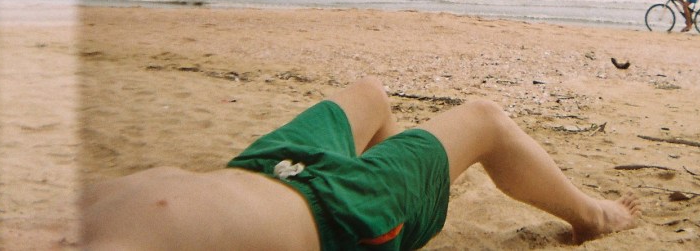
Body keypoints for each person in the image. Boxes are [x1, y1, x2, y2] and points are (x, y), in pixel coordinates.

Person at [81, 76, 639, 250]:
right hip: (338, 212)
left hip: (267, 169)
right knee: (485, 119)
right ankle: (592, 217)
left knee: (369, 94)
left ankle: (414, 187)